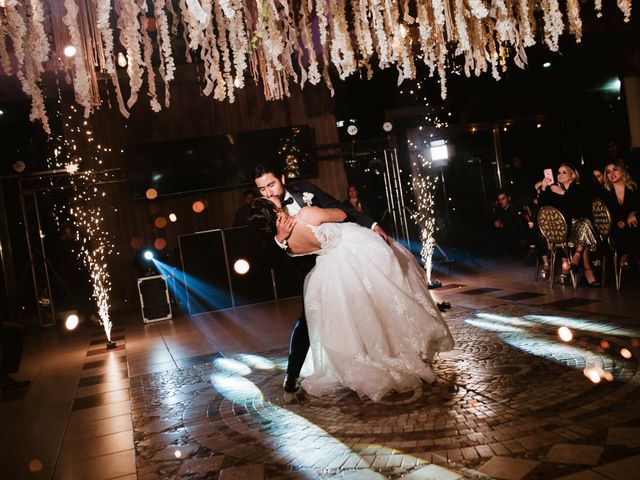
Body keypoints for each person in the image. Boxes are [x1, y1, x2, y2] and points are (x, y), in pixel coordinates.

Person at [248, 196, 454, 401]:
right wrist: (316, 210)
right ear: (275, 213)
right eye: (275, 205)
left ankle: (379, 352)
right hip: (355, 250)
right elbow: (341, 214)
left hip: (332, 270)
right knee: (388, 297)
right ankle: (405, 348)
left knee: (365, 314)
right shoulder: (305, 214)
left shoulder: (285, 243)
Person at [252, 163, 388, 393]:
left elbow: (339, 208)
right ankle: (292, 374)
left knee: (365, 303)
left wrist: (371, 224)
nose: (269, 192)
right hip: (308, 270)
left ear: (282, 178)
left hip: (345, 257)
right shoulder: (264, 214)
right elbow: (268, 261)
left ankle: (377, 355)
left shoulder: (305, 189)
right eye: (262, 189)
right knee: (307, 319)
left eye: (271, 184)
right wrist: (280, 239)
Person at [537, 163, 600, 287]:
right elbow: (542, 208)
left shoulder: (579, 189)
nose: (560, 175)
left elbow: (581, 211)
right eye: (559, 172)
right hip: (563, 232)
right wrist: (544, 188)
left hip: (578, 230)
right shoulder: (553, 190)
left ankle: (579, 258)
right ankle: (583, 264)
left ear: (573, 176)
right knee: (585, 225)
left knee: (584, 224)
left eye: (564, 172)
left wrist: (563, 193)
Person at [602, 161, 639, 268]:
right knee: (620, 229)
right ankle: (627, 254)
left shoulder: (633, 187)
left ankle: (626, 254)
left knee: (634, 223)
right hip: (615, 227)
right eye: (608, 171)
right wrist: (617, 222)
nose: (611, 173)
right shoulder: (606, 192)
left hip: (634, 222)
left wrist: (633, 212)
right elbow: (605, 214)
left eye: (615, 169)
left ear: (622, 171)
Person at [491, 190, 528, 258]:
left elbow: (519, 225)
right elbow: (496, 221)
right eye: (499, 200)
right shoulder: (499, 210)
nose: (501, 201)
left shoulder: (515, 209)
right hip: (507, 238)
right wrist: (496, 223)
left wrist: (502, 225)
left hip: (518, 237)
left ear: (508, 198)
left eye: (503, 199)